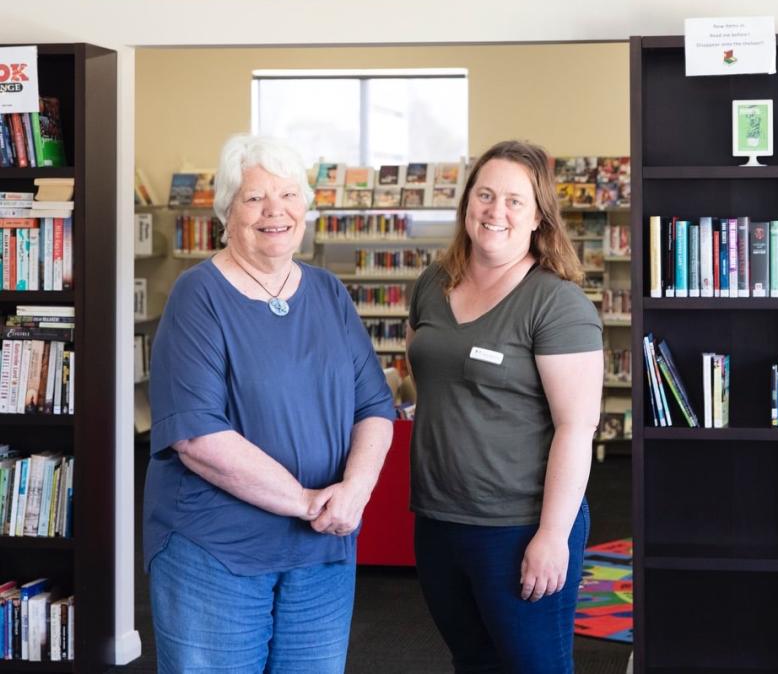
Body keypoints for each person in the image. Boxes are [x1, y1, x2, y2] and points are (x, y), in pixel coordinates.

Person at [143, 135, 394, 674]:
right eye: (255, 198)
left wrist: (354, 492)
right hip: (218, 548)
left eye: (288, 195)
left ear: (306, 207)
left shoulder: (328, 293)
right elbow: (197, 437)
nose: (275, 211)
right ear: (227, 212)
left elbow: (374, 405)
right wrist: (309, 503)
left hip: (322, 551)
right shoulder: (198, 296)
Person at [405, 140, 604, 674]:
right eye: (485, 194)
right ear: (467, 201)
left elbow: (576, 427)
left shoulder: (558, 303)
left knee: (532, 667)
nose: (497, 211)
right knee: (472, 661)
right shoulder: (431, 284)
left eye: (515, 200)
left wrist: (552, 536)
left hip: (518, 526)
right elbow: (425, 374)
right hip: (438, 518)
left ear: (539, 215)